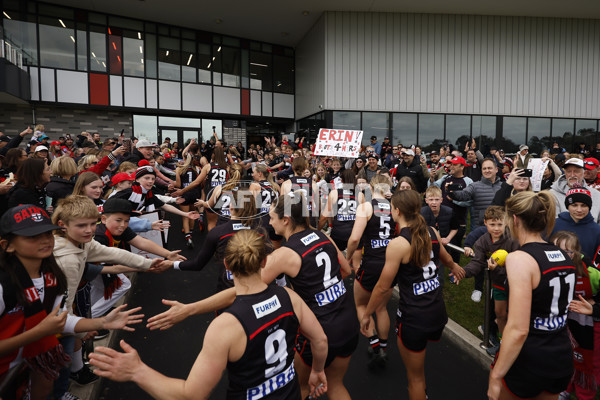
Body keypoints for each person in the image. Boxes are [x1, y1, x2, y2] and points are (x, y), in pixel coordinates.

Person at [91, 229, 329, 400]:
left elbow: (191, 394)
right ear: (265, 261)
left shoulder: (226, 326)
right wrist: (317, 370)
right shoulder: (290, 296)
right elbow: (320, 340)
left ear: (226, 265)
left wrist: (137, 371)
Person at [0, 204, 144, 400]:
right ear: (7, 245)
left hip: (26, 368)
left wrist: (101, 322)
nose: (44, 241)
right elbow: (47, 327)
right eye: (32, 237)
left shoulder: (51, 274)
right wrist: (40, 332)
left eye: (47, 234)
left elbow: (58, 319)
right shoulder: (3, 285)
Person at [50, 196, 163, 399]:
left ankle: (62, 389)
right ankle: (58, 394)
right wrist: (79, 331)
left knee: (65, 358)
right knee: (58, 363)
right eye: (82, 225)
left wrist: (147, 264)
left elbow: (110, 252)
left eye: (93, 224)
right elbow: (62, 306)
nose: (89, 230)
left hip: (61, 317)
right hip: (52, 322)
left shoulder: (79, 243)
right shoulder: (67, 259)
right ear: (62, 225)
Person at [360, 189, 465, 400]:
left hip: (414, 316)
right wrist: (455, 267)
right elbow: (445, 257)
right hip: (437, 310)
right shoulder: (431, 232)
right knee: (420, 367)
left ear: (397, 211)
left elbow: (382, 287)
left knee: (415, 378)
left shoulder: (398, 244)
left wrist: (366, 314)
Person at [487, 191, 575, 400]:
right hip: (560, 355)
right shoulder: (563, 254)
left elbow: (518, 329)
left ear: (515, 219)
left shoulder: (520, 258)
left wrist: (496, 375)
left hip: (529, 358)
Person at [345, 175, 395, 366]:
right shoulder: (394, 207)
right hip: (390, 262)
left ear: (372, 187)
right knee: (381, 307)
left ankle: (374, 346)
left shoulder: (366, 206)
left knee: (361, 305)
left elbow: (354, 239)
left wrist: (348, 257)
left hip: (372, 262)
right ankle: (383, 345)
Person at [458, 206, 520, 353]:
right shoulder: (482, 241)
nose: (496, 228)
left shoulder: (513, 240)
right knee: (500, 314)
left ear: (506, 222)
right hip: (498, 284)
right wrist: (463, 272)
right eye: (492, 224)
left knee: (514, 315)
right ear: (485, 223)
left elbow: (518, 267)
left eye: (500, 224)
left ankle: (514, 345)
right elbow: (477, 262)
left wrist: (497, 269)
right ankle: (503, 342)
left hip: (515, 285)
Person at [550, 231, 600, 400]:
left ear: (577, 253)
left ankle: (585, 393)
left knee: (588, 363)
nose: (562, 256)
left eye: (567, 252)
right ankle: (565, 388)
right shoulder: (547, 268)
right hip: (563, 324)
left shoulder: (590, 272)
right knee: (565, 356)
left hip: (589, 325)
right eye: (556, 251)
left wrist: (595, 305)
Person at [552, 188, 600, 260]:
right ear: (567, 206)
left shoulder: (597, 231)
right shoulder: (553, 225)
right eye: (574, 205)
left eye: (584, 205)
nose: (579, 210)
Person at [550, 157, 600, 222]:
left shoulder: (596, 195)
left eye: (576, 171)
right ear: (565, 173)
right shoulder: (552, 195)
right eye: (569, 171)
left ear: (584, 173)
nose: (572, 175)